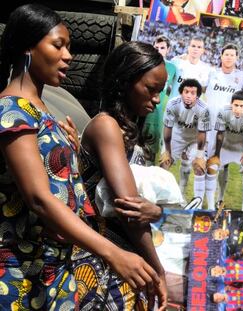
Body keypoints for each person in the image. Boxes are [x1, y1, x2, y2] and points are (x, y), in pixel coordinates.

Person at [0, 4, 159, 310]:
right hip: (22, 274)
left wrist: (70, 148)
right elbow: (39, 198)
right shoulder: (12, 113)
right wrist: (111, 252)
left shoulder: (42, 113)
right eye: (57, 45)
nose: (69, 56)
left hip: (55, 270)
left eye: (70, 47)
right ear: (27, 48)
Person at [73, 41, 168, 310]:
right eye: (151, 89)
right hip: (100, 264)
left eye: (161, 91)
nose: (157, 99)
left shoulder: (124, 132)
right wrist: (157, 270)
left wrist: (158, 212)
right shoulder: (106, 126)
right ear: (125, 81)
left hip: (120, 260)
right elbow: (130, 209)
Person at [205, 90, 243, 211]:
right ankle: (212, 207)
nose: (238, 109)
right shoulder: (223, 111)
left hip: (241, 148)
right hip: (225, 146)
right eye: (236, 105)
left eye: (242, 106)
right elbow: (220, 134)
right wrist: (216, 155)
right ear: (231, 104)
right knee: (212, 167)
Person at [160, 78, 210, 201]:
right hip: (177, 136)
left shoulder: (204, 109)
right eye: (186, 92)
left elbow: (202, 134)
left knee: (199, 167)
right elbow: (167, 131)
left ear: (198, 96)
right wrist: (168, 151)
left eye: (192, 93)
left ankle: (192, 199)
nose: (188, 96)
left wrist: (199, 155)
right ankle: (161, 197)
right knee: (164, 164)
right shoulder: (173, 104)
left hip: (195, 139)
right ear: (181, 92)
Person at [204, 43, 243, 157]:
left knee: (222, 157)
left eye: (232, 55)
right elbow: (201, 90)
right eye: (226, 54)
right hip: (209, 119)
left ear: (236, 57)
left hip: (229, 122)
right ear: (221, 56)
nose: (229, 57)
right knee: (204, 155)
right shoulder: (212, 73)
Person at [142, 35, 177, 164]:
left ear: (168, 50)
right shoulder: (145, 63)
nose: (159, 50)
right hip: (143, 108)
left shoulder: (172, 68)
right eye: (156, 47)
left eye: (162, 48)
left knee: (152, 148)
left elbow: (174, 90)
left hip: (158, 113)